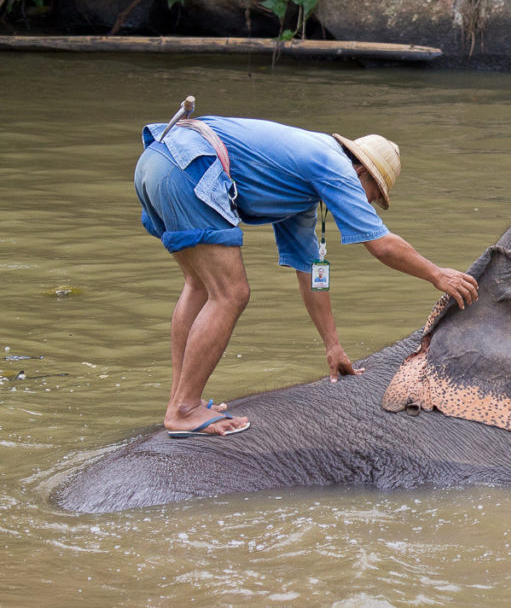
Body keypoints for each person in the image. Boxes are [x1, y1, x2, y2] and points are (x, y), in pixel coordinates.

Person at [134, 115, 479, 438]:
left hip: (158, 160)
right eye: (372, 196)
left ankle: (179, 402)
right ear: (362, 172)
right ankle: (186, 408)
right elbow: (382, 244)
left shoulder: (298, 189)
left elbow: (310, 268)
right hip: (190, 167)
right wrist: (437, 274)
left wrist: (332, 345)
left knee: (199, 286)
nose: (367, 204)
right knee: (230, 293)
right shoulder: (335, 167)